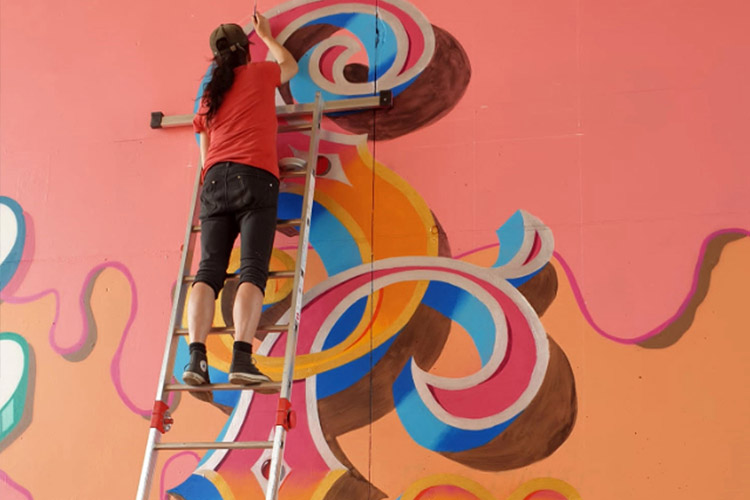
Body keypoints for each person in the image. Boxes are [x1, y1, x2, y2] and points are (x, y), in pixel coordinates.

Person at [182, 14, 298, 398]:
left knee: (208, 271)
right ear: (246, 51)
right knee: (252, 270)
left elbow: (203, 146)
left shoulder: (211, 94)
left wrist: (211, 174)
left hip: (213, 181)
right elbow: (290, 67)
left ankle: (195, 356)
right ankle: (242, 358)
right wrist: (268, 36)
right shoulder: (260, 73)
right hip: (255, 177)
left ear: (214, 59)